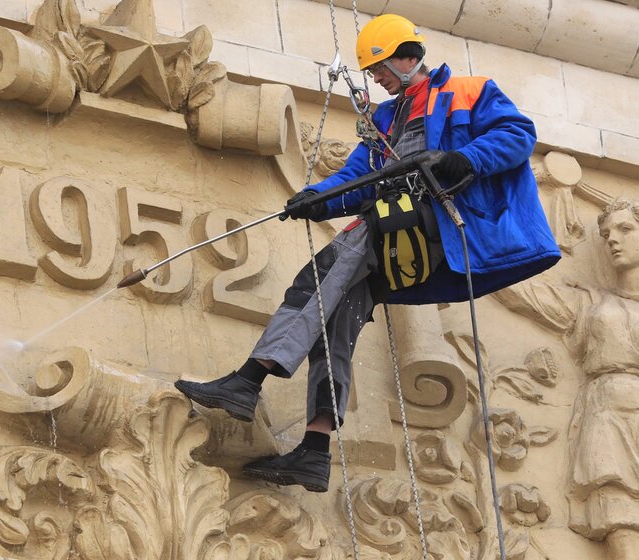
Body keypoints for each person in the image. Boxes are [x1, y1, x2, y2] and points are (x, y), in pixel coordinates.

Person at [175, 14, 561, 493]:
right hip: (397, 227)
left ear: (405, 57)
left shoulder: (468, 91)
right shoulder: (385, 120)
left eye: (378, 67)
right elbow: (359, 180)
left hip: (439, 224)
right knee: (336, 313)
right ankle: (315, 451)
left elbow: (518, 134)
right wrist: (315, 197)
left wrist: (465, 159)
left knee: (319, 275)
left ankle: (249, 380)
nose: (374, 78)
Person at [495, 199, 639, 560]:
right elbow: (524, 293)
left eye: (626, 230)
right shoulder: (590, 303)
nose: (612, 241)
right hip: (610, 412)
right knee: (619, 513)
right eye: (606, 234)